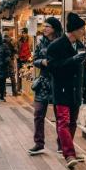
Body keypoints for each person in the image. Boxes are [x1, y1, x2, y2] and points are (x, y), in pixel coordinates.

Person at [47, 13, 86, 170]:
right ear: (74, 30)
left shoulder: (80, 46)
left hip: (75, 91)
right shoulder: (56, 46)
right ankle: (69, 153)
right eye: (81, 29)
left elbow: (83, 70)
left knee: (72, 122)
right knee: (63, 122)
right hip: (62, 90)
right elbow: (52, 68)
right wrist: (71, 61)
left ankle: (68, 148)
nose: (83, 32)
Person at [28, 17, 63, 156]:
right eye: (44, 26)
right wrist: (42, 62)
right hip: (43, 82)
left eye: (47, 26)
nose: (44, 29)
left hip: (58, 81)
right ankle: (39, 143)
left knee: (59, 115)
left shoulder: (61, 42)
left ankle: (62, 144)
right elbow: (34, 59)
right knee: (38, 113)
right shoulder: (40, 42)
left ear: (54, 28)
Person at [17, 28, 32, 94]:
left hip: (28, 59)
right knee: (20, 74)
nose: (23, 34)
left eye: (24, 33)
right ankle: (19, 88)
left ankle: (25, 89)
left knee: (27, 75)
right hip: (20, 59)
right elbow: (17, 49)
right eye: (22, 33)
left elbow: (31, 48)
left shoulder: (30, 40)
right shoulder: (19, 41)